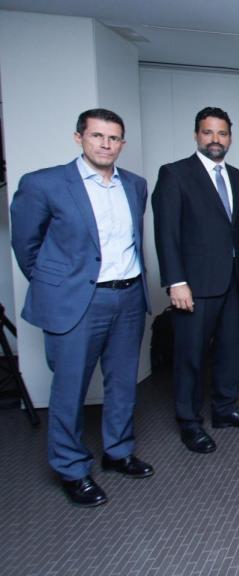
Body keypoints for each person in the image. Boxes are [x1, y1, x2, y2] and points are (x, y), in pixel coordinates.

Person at [11, 108, 153, 507]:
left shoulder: (136, 186)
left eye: (113, 138)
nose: (106, 145)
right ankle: (71, 468)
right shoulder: (44, 184)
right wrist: (58, 288)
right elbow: (27, 248)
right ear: (79, 138)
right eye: (97, 136)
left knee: (123, 382)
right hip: (76, 303)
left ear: (122, 143)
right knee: (69, 389)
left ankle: (118, 451)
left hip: (127, 297)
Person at [153, 107, 239, 454]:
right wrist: (175, 281)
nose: (215, 140)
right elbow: (166, 233)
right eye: (208, 133)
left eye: (222, 134)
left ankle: (224, 409)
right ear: (196, 135)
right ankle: (189, 423)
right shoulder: (175, 174)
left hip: (236, 282)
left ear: (230, 137)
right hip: (195, 284)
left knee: (232, 351)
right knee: (190, 355)